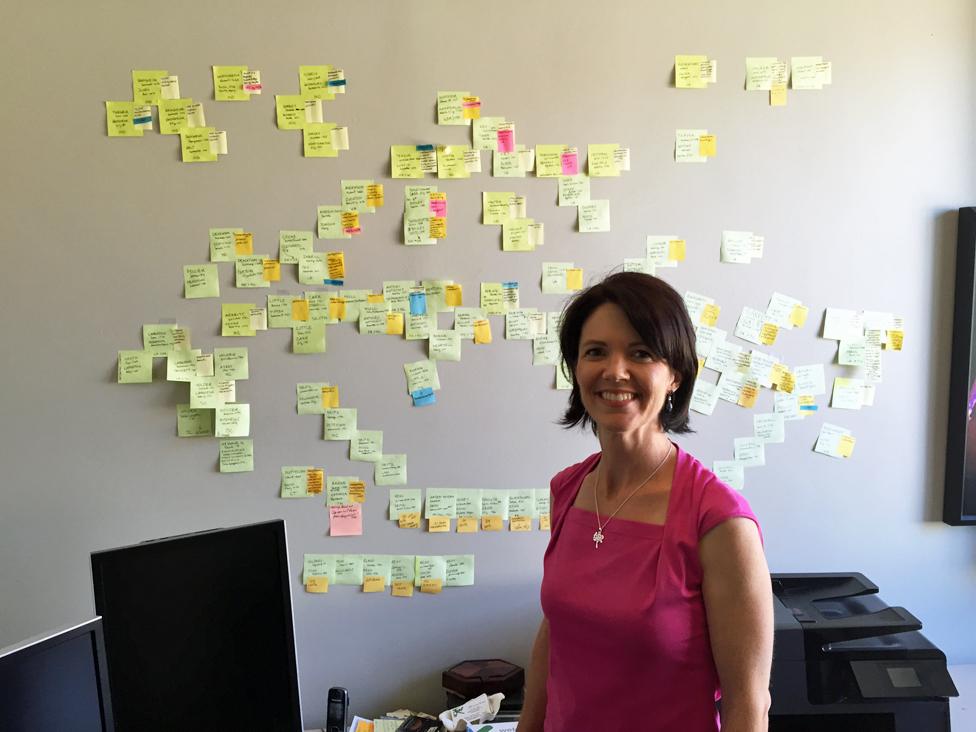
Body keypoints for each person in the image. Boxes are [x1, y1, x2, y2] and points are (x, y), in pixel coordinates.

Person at [518, 272, 773, 732]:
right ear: (576, 369)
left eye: (640, 353)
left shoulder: (719, 522)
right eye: (596, 351)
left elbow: (749, 706)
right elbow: (557, 631)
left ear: (675, 373)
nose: (615, 371)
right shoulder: (568, 490)